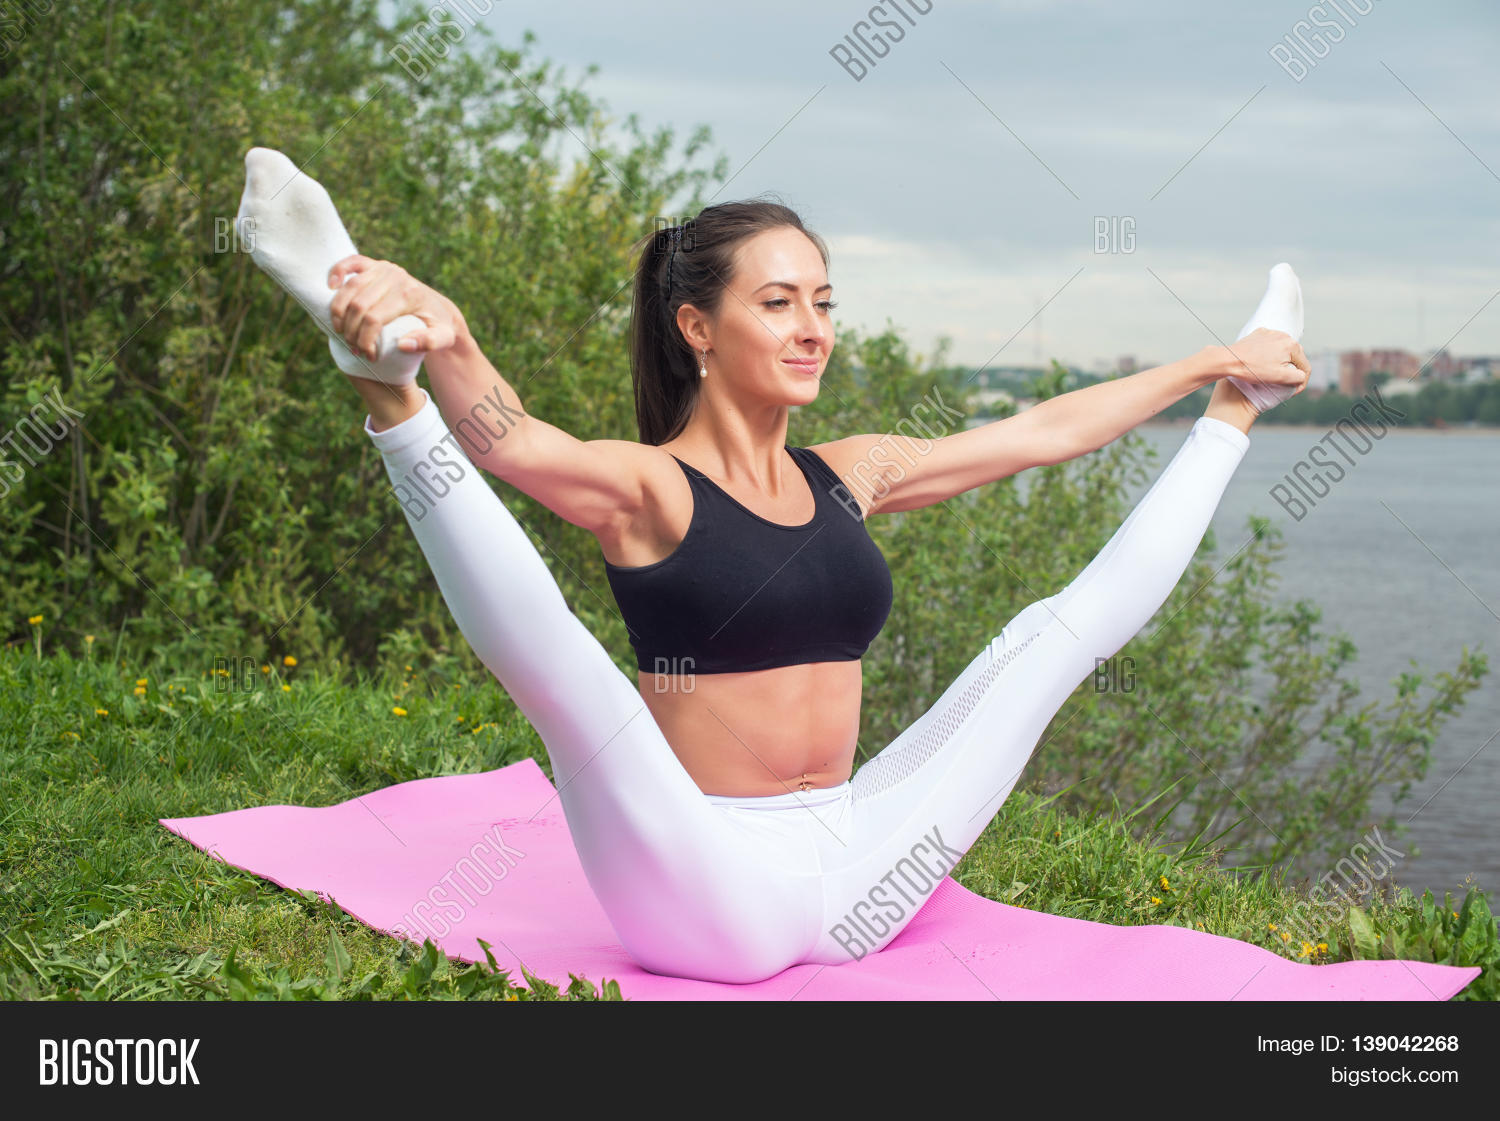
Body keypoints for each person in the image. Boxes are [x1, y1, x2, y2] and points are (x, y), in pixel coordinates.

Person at [236, 147, 1309, 982]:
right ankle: (384, 380)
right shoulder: (648, 486)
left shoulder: (854, 472)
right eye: (779, 301)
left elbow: (1047, 430)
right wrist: (451, 342)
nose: (813, 328)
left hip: (862, 877)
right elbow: (514, 441)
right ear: (697, 325)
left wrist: (1218, 360)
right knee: (565, 673)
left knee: (1049, 639)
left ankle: (1237, 414)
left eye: (824, 301)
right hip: (701, 886)